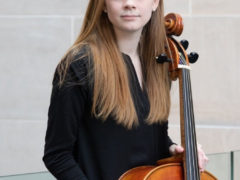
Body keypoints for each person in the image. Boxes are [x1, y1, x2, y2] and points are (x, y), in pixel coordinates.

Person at [43, 0, 208, 179]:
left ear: (154, 3)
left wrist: (174, 150)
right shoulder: (79, 65)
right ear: (103, 5)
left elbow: (148, 135)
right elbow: (57, 155)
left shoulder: (157, 65)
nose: (129, 3)